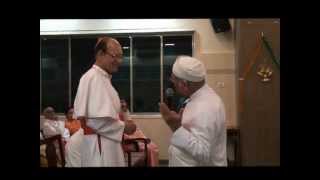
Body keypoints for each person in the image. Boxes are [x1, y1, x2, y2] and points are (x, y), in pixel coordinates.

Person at [73, 36, 136, 167]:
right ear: (100, 54)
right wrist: (125, 127)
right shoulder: (92, 77)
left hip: (106, 143)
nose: (119, 61)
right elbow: (96, 121)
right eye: (115, 56)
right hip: (100, 146)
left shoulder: (103, 78)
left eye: (120, 57)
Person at [159, 55, 227, 166]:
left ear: (184, 84)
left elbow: (203, 153)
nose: (172, 83)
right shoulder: (200, 97)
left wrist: (175, 127)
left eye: (174, 80)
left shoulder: (205, 107)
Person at [119, 99, 159, 166]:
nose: (123, 106)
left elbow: (134, 130)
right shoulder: (117, 117)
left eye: (124, 104)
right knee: (151, 149)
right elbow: (126, 132)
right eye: (121, 104)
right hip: (128, 142)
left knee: (153, 147)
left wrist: (143, 138)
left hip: (134, 139)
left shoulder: (126, 114)